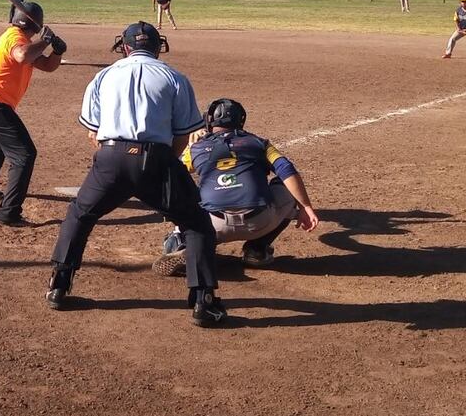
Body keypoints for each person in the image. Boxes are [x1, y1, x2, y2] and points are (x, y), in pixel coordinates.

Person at [46, 21, 226, 327]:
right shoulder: (174, 77)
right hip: (156, 158)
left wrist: (114, 156)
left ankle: (59, 285)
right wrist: (160, 166)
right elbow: (181, 135)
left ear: (125, 47)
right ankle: (203, 301)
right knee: (196, 224)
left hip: (110, 159)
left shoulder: (103, 76)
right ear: (158, 47)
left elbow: (93, 131)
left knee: (80, 213)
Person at [152, 98, 320, 277]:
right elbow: (287, 169)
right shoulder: (259, 143)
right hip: (259, 222)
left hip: (211, 225)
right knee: (285, 185)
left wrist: (191, 147)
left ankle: (186, 245)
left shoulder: (196, 147)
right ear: (241, 121)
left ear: (209, 121)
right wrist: (305, 207)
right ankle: (257, 250)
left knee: (185, 189)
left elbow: (173, 175)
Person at [0, 1, 66, 226]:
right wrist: (45, 40)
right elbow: (22, 55)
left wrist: (56, 51)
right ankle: (8, 214)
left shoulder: (23, 41)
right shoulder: (15, 37)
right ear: (36, 24)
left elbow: (47, 66)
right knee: (24, 154)